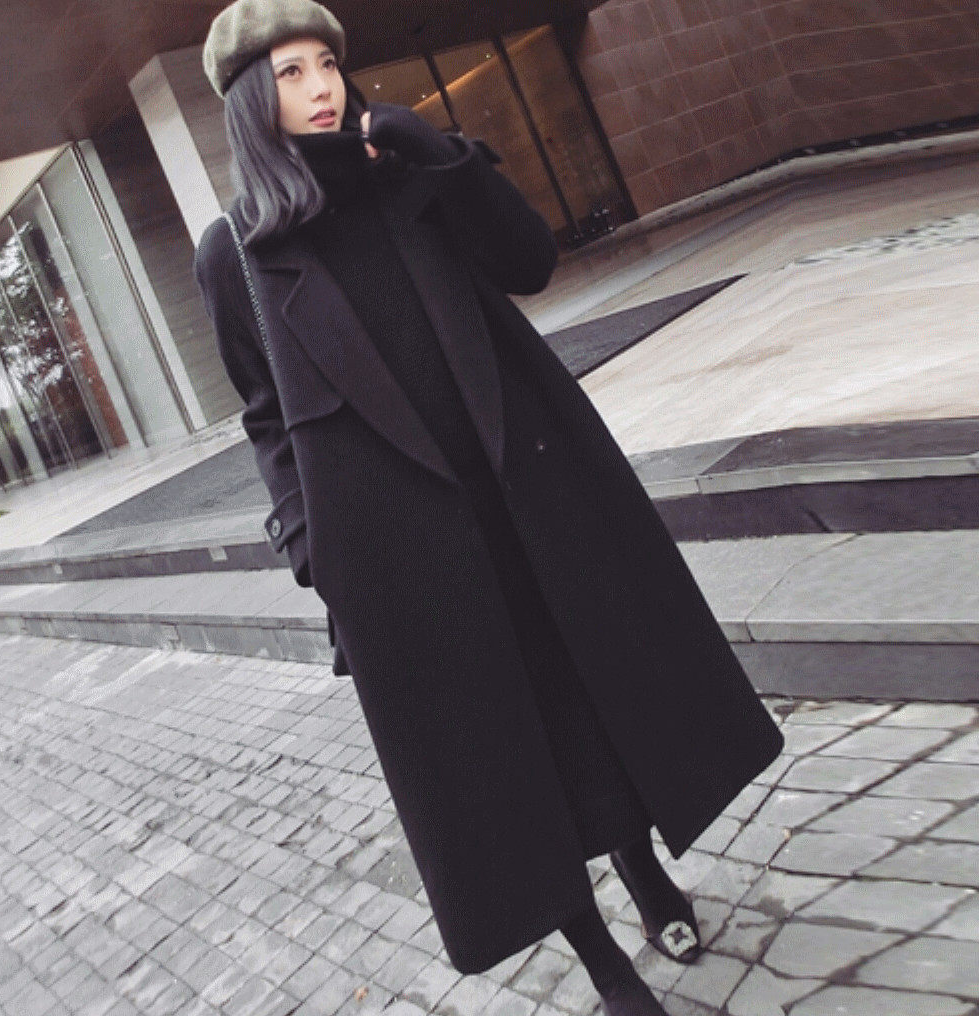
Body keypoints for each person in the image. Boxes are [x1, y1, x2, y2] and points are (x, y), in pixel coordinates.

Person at [194, 2, 784, 1012]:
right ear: (253, 99)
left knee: (591, 692)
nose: (322, 86)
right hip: (407, 552)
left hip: (531, 492)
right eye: (291, 72)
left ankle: (643, 870)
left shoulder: (404, 175)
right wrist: (310, 547)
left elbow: (529, 262)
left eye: (327, 62)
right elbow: (265, 417)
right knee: (502, 754)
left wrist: (440, 152)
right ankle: (599, 957)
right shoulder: (236, 253)